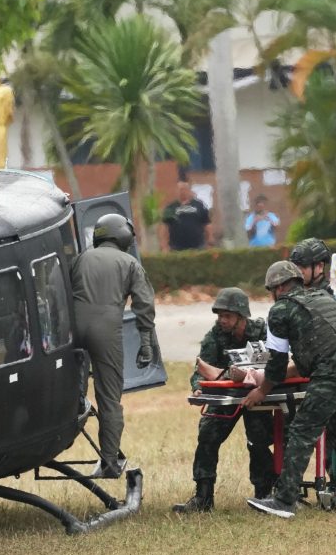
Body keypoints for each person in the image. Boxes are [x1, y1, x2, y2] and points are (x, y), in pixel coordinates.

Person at [243, 261, 336, 518]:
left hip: (332, 370)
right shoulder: (322, 297)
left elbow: (277, 363)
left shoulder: (281, 310)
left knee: (302, 431)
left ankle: (284, 501)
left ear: (279, 287)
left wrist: (261, 391)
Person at [71, 213, 157, 478]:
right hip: (106, 330)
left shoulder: (81, 258)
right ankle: (109, 461)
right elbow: (144, 305)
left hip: (72, 328)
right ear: (123, 234)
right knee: (109, 399)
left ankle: (75, 409)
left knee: (72, 387)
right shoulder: (129, 263)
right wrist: (146, 345)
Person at [173, 288, 274, 513]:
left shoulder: (262, 332)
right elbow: (201, 369)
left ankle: (264, 494)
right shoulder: (214, 336)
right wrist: (198, 388)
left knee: (258, 440)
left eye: (227, 316)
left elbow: (276, 362)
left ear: (241, 315)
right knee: (207, 435)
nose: (222, 320)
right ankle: (203, 497)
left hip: (258, 394)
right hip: (226, 395)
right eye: (220, 316)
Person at [290, 237, 336, 307]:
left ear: (320, 266)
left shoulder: (329, 291)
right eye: (295, 266)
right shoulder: (291, 289)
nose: (298, 270)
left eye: (304, 266)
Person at [160, 181, 212, 251]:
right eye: (180, 190)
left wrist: (210, 240)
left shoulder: (199, 205)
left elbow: (207, 224)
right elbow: (165, 227)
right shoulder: (170, 207)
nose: (182, 192)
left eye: (184, 189)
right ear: (176, 191)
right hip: (176, 247)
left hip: (198, 246)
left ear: (189, 191)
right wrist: (164, 244)